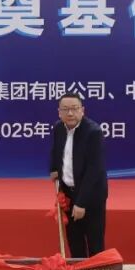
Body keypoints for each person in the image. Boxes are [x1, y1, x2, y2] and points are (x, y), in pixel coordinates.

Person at [48, 93, 108, 259]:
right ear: (59, 112)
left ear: (82, 110)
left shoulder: (93, 132)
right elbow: (56, 151)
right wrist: (54, 168)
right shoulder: (58, 128)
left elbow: (94, 170)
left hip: (91, 196)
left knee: (95, 244)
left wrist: (81, 203)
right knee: (75, 242)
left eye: (74, 109)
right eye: (65, 109)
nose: (70, 113)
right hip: (68, 194)